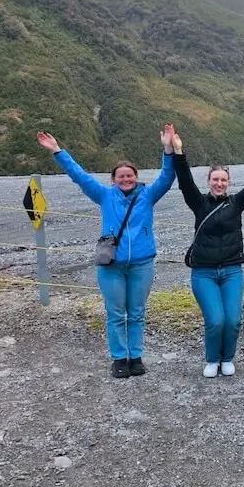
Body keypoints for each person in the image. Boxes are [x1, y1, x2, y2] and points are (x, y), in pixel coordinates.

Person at [36, 126, 177, 378]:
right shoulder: (104, 195)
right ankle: (118, 359)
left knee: (136, 313)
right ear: (113, 179)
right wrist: (58, 151)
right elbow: (79, 176)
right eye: (121, 176)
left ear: (136, 177)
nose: (126, 179)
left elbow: (167, 176)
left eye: (129, 176)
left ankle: (135, 357)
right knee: (115, 313)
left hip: (141, 265)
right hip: (111, 265)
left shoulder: (148, 195)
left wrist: (168, 149)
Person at [171, 133, 244, 378]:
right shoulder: (199, 203)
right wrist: (179, 152)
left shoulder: (236, 203)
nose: (219, 183)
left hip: (231, 271)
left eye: (223, 180)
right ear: (208, 181)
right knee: (215, 320)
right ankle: (212, 359)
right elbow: (184, 181)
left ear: (228, 182)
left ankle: (227, 358)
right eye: (215, 179)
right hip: (203, 272)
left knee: (233, 320)